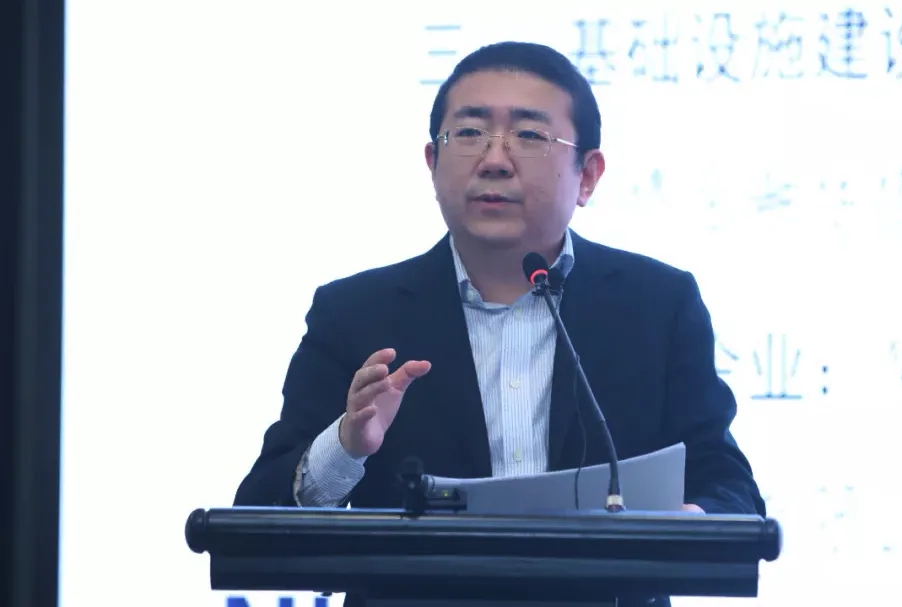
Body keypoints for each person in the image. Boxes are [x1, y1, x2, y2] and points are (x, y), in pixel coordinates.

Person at [234, 39, 765, 601]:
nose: (494, 159)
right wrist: (346, 446)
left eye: (530, 136)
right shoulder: (356, 312)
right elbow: (260, 511)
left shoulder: (656, 305)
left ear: (587, 175)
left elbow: (727, 487)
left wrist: (684, 526)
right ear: (432, 164)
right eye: (468, 133)